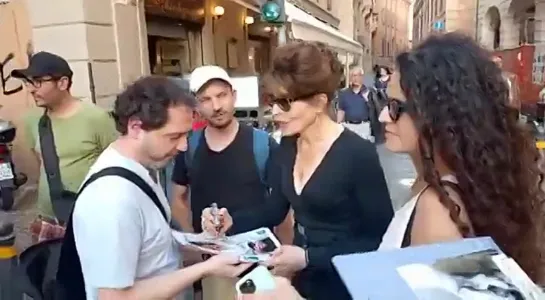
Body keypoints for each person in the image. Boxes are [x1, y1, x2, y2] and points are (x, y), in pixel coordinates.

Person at [201, 41, 394, 300]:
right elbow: (274, 208)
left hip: (346, 284)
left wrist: (307, 257)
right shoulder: (289, 144)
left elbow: (380, 239)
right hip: (304, 278)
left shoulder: (358, 154)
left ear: (318, 102)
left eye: (285, 102)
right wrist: (232, 220)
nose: (275, 112)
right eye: (272, 101)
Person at [377, 33, 545, 284]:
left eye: (394, 107)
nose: (382, 117)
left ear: (437, 114)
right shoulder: (473, 181)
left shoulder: (438, 209)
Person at [71, 76, 249, 300]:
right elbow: (114, 297)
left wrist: (207, 241)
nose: (183, 146)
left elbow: (152, 242)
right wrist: (207, 268)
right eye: (174, 136)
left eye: (186, 135)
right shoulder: (112, 199)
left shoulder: (140, 169)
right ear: (136, 127)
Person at [170, 65, 291, 300]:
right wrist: (196, 243)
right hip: (213, 268)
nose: (216, 106)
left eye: (221, 95)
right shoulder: (189, 147)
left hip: (260, 266)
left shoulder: (262, 145)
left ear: (234, 96)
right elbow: (178, 197)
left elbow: (284, 211)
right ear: (196, 105)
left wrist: (284, 266)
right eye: (206, 99)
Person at [12, 51, 117, 242]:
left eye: (37, 82)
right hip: (48, 218)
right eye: (28, 82)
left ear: (62, 83)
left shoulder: (96, 118)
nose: (31, 90)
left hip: (90, 218)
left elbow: (117, 164)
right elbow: (36, 167)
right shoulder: (32, 120)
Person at [336, 66, 377, 141]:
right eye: (353, 76)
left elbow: (374, 111)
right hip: (349, 126)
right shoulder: (344, 93)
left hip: (364, 127)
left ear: (362, 77)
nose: (355, 78)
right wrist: (338, 125)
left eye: (357, 75)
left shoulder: (369, 92)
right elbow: (341, 110)